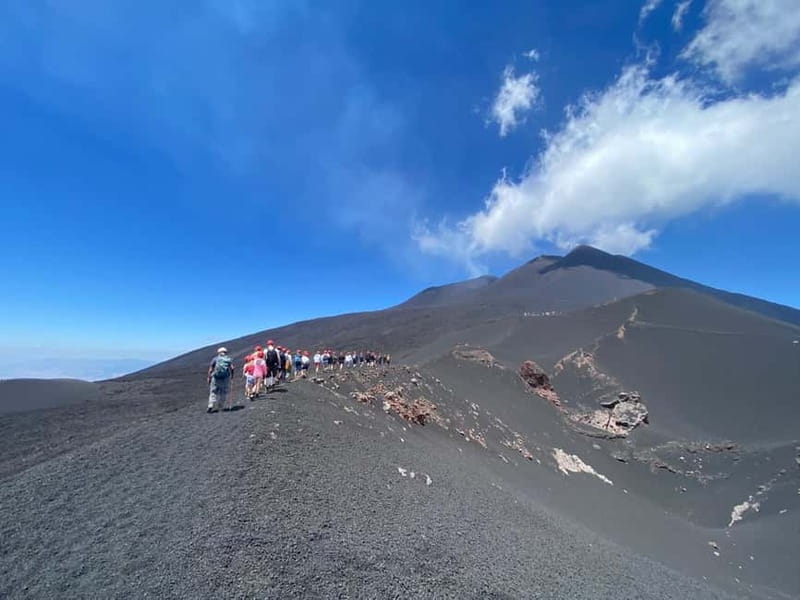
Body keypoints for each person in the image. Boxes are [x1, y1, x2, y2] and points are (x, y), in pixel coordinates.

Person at [207, 347, 233, 413]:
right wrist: (232, 375)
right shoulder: (228, 359)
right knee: (223, 392)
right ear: (226, 352)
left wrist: (209, 377)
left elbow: (210, 369)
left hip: (215, 378)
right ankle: (220, 407)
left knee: (213, 391)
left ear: (218, 352)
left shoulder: (215, 359)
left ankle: (210, 405)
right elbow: (232, 368)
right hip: (225, 378)